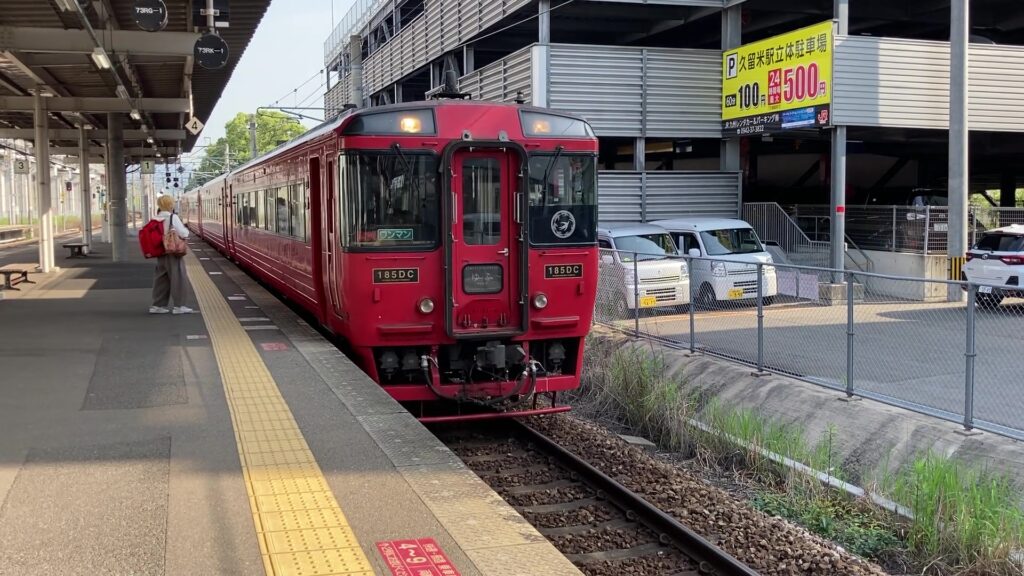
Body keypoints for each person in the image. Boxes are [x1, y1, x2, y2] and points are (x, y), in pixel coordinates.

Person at [150, 195, 193, 315]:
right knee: (178, 277)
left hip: (160, 251)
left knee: (161, 279)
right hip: (172, 251)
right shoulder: (172, 217)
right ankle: (179, 306)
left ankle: (157, 305)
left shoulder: (155, 218)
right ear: (170, 204)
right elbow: (184, 233)